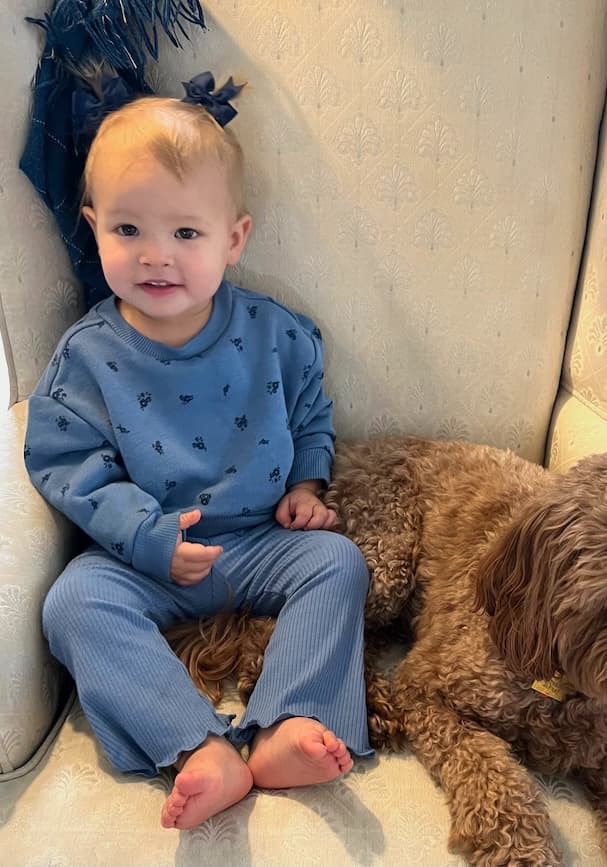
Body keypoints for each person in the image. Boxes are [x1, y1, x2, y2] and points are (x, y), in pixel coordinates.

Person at [24, 80, 373, 831]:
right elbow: (65, 461)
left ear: (234, 238)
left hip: (259, 541)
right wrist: (147, 535)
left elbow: (312, 409)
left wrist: (308, 482)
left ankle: (286, 724)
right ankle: (195, 744)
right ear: (93, 229)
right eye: (127, 230)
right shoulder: (87, 356)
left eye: (186, 234)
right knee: (73, 603)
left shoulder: (276, 334)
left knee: (339, 563)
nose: (156, 257)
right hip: (145, 559)